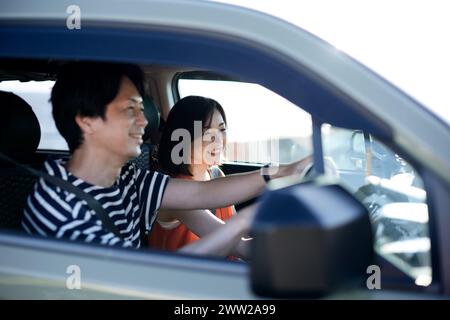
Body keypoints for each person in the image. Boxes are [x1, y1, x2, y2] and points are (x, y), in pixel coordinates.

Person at [21, 62, 312, 257]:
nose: (144, 122)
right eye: (130, 110)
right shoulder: (60, 207)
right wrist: (242, 224)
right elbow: (141, 278)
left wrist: (284, 171)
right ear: (87, 121)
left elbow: (203, 192)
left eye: (142, 109)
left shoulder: (126, 178)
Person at [149, 96, 245, 256]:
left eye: (222, 130)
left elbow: (238, 233)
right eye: (206, 132)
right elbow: (235, 242)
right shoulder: (172, 192)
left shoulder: (216, 175)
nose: (218, 140)